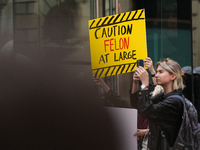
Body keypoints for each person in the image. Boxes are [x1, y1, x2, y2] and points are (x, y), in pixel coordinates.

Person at [92, 57, 163, 150]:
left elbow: (162, 129)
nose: (141, 99)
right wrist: (102, 84)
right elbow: (117, 100)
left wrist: (152, 72)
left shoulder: (157, 108)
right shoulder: (136, 110)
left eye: (143, 96)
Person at [131, 58, 184, 150]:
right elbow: (138, 105)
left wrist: (144, 84)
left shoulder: (174, 101)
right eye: (157, 72)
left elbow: (146, 111)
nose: (156, 75)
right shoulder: (162, 96)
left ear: (173, 76)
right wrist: (135, 83)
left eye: (160, 72)